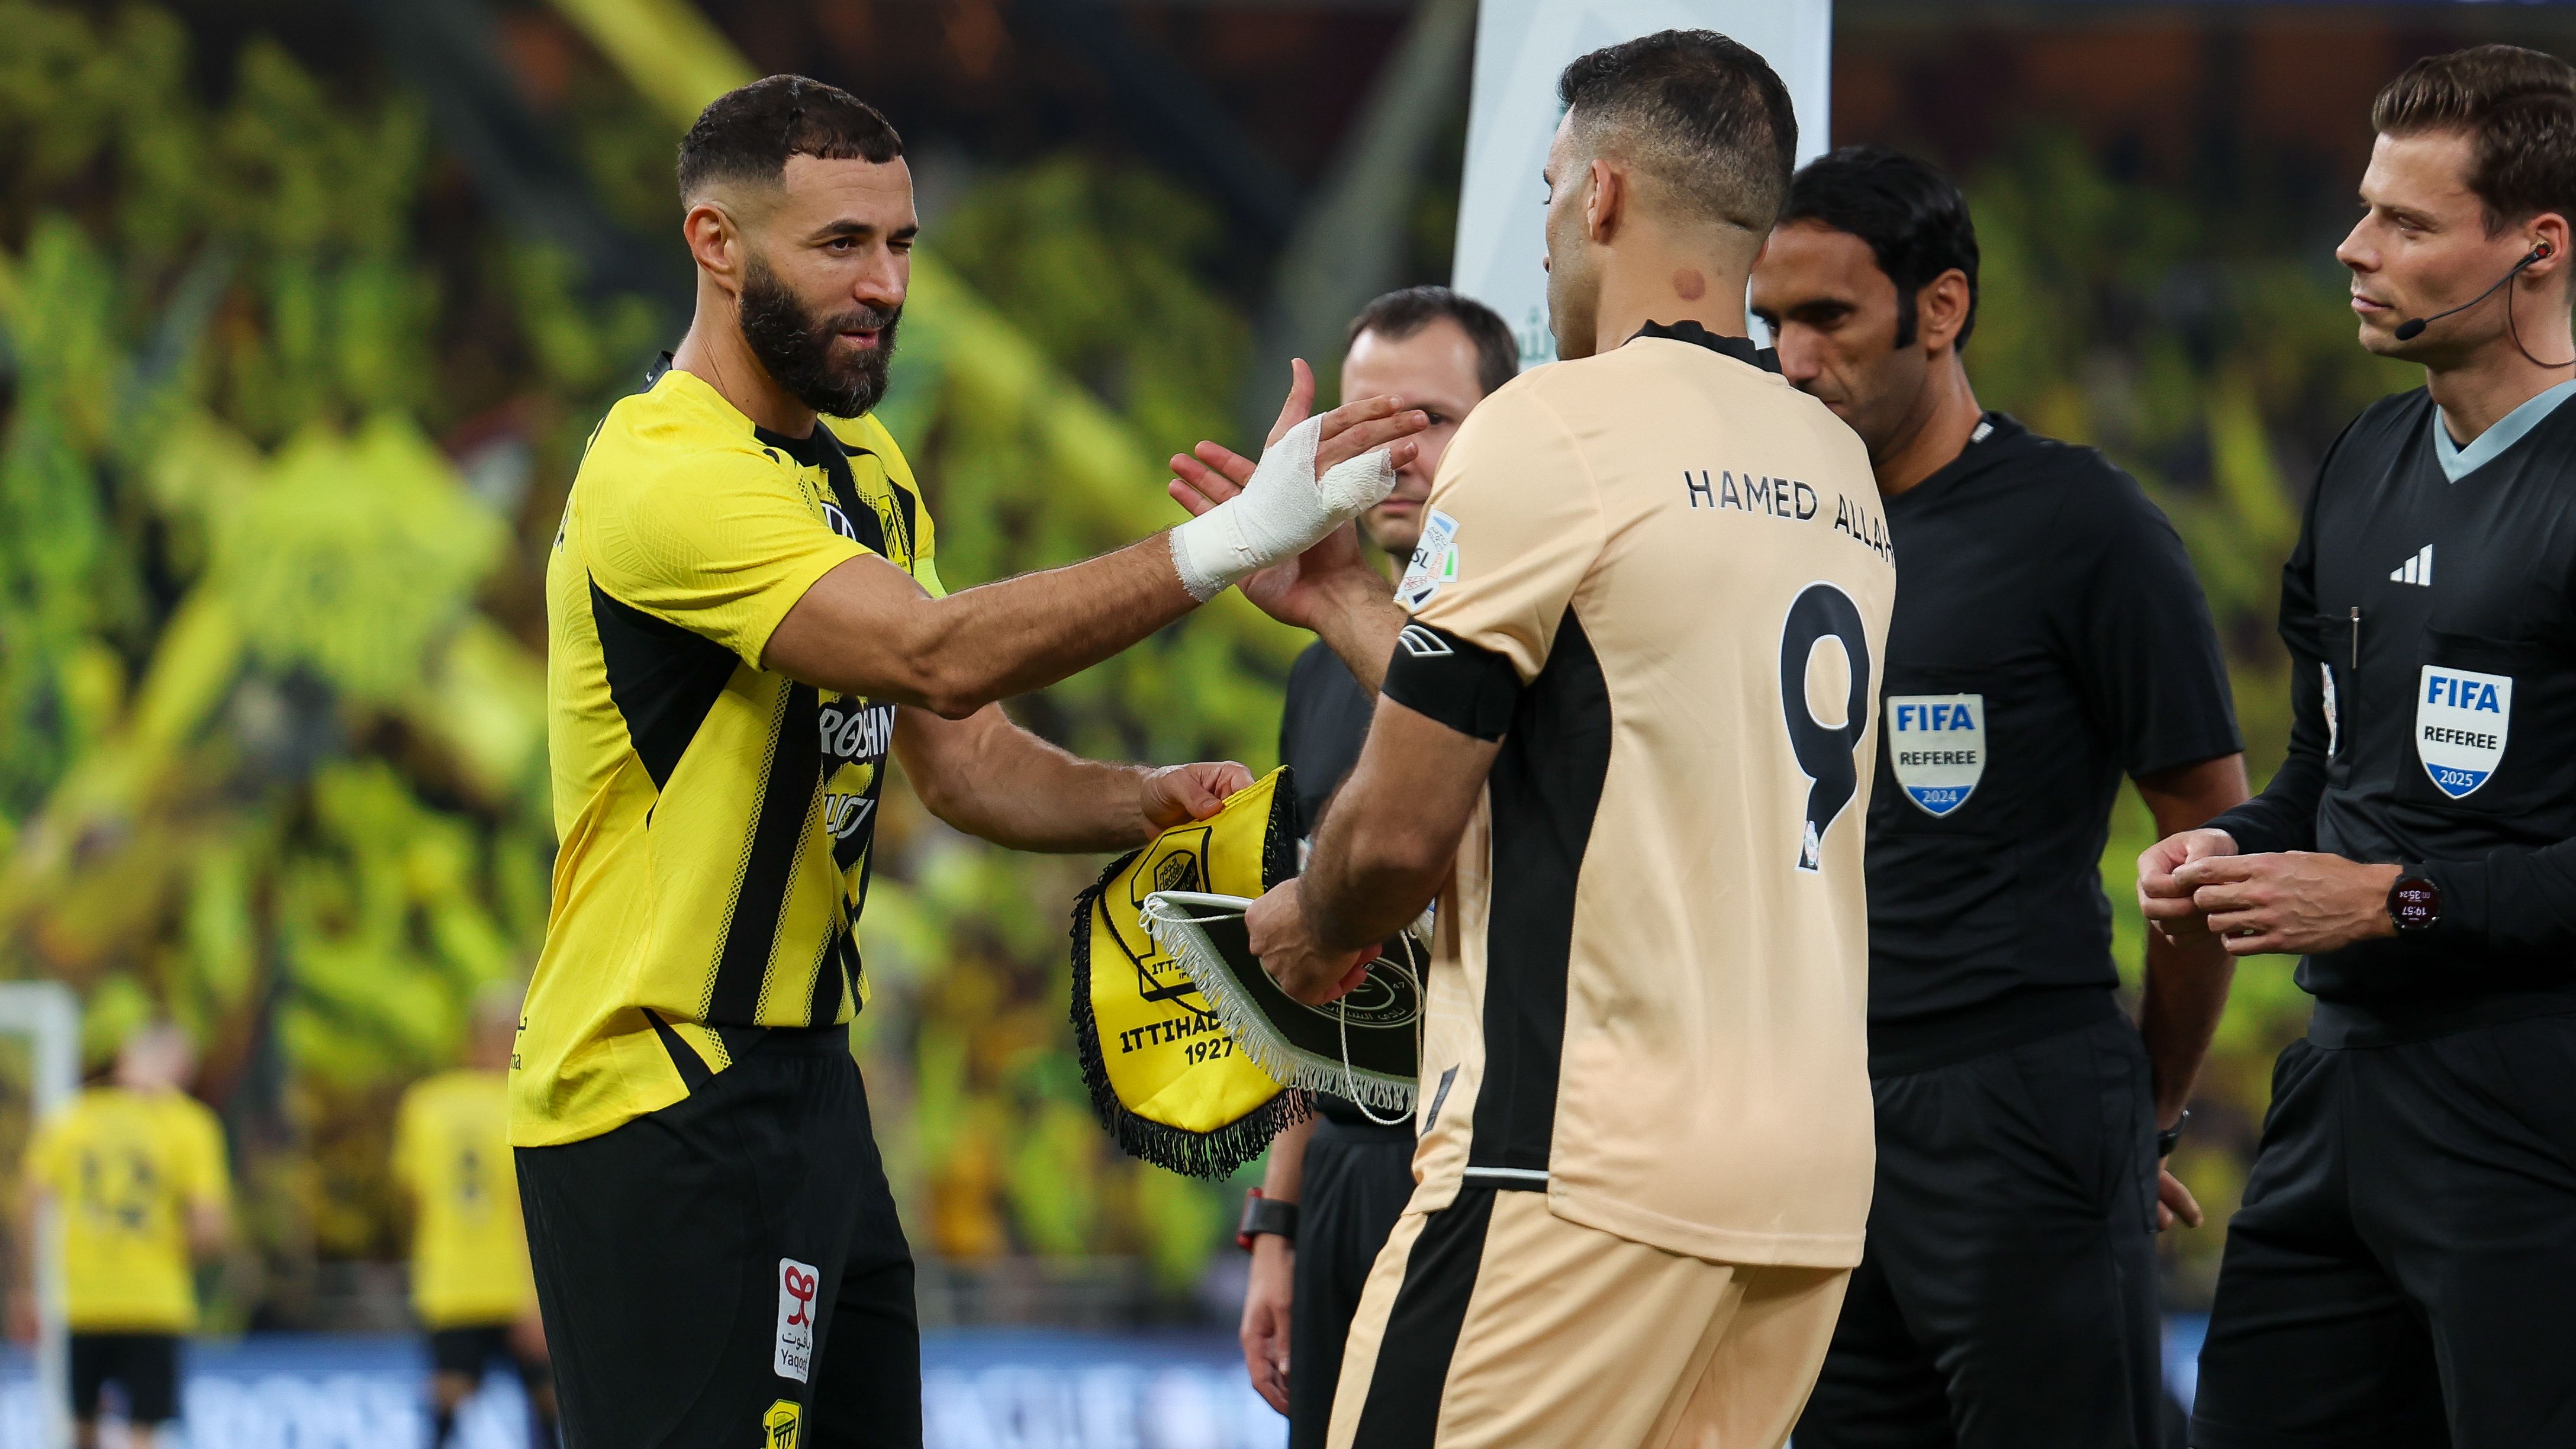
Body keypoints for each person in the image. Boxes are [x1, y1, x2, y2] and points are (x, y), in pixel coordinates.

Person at [511, 76, 1427, 1449]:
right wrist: (1228, 542)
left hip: (810, 1090)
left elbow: (962, 754)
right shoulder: (664, 473)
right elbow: (932, 653)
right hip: (656, 1096)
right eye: (840, 244)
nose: (884, 284)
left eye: (899, 243)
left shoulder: (867, 468)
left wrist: (1135, 801)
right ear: (715, 244)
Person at [1183, 31, 1895, 1447]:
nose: (1553, 220)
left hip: (1571, 1162)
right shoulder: (1833, 464)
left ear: (1603, 195)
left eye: (1553, 186)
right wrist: (1348, 607)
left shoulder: (1550, 428)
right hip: (1803, 1188)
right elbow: (1587, 731)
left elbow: (1397, 832)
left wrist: (1303, 931)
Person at [1748, 146, 2247, 1449]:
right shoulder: (1769, 537)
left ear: (1940, 307)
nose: (1790, 360)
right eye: (1771, 322)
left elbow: (2208, 832)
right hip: (1812, 1113)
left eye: (1826, 317)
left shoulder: (2082, 526)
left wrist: (2141, 1113)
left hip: (2014, 1090)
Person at [2139, 45, 2576, 1449]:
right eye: (2360, 207)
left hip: (2530, 1098)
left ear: (2536, 247)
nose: (2352, 246)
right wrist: (2232, 849)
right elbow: (2320, 777)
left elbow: (2397, 876)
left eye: (2403, 221)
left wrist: (2395, 900)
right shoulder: (2363, 461)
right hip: (2338, 1085)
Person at [1226, 285, 1519, 1445]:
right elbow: (1320, 990)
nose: (1393, 453)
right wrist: (1278, 1225)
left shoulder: (1540, 648)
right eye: (1362, 423)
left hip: (1492, 1170)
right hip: (1348, 1172)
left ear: (1507, 427)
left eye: (1430, 419)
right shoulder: (1314, 671)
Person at [17, 1023, 230, 1449]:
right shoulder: (190, 1124)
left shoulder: (72, 1118)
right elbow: (208, 1226)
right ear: (182, 1070)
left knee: (81, 1426)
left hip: (82, 1302)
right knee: (144, 1432)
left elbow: (30, 1205)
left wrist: (25, 1288)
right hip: (156, 1303)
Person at [395, 987, 556, 1448]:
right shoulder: (526, 1100)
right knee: (548, 1399)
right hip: (517, 1283)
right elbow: (532, 1206)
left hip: (448, 1282)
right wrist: (538, 1295)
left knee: (450, 1394)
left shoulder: (425, 1102)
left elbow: (413, 1197)